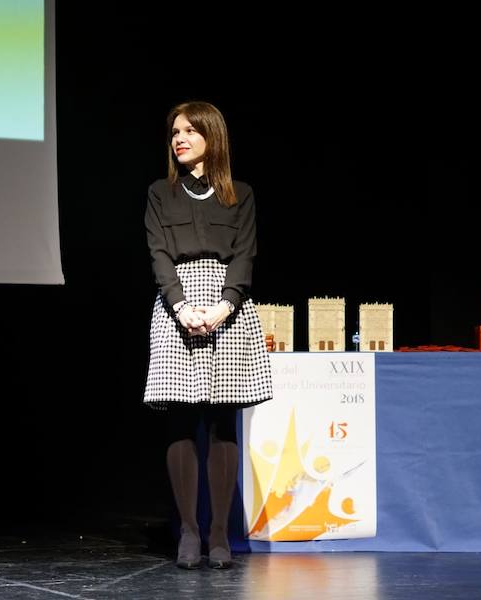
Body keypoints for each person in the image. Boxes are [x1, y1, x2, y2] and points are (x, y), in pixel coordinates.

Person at [143, 101, 273, 569]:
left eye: (190, 131)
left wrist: (223, 306)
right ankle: (189, 533)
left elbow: (245, 255)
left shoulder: (240, 194)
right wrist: (180, 306)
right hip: (177, 304)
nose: (178, 138)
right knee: (180, 417)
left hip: (226, 305)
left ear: (211, 138)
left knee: (220, 419)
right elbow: (158, 252)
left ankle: (219, 532)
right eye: (174, 130)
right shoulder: (161, 192)